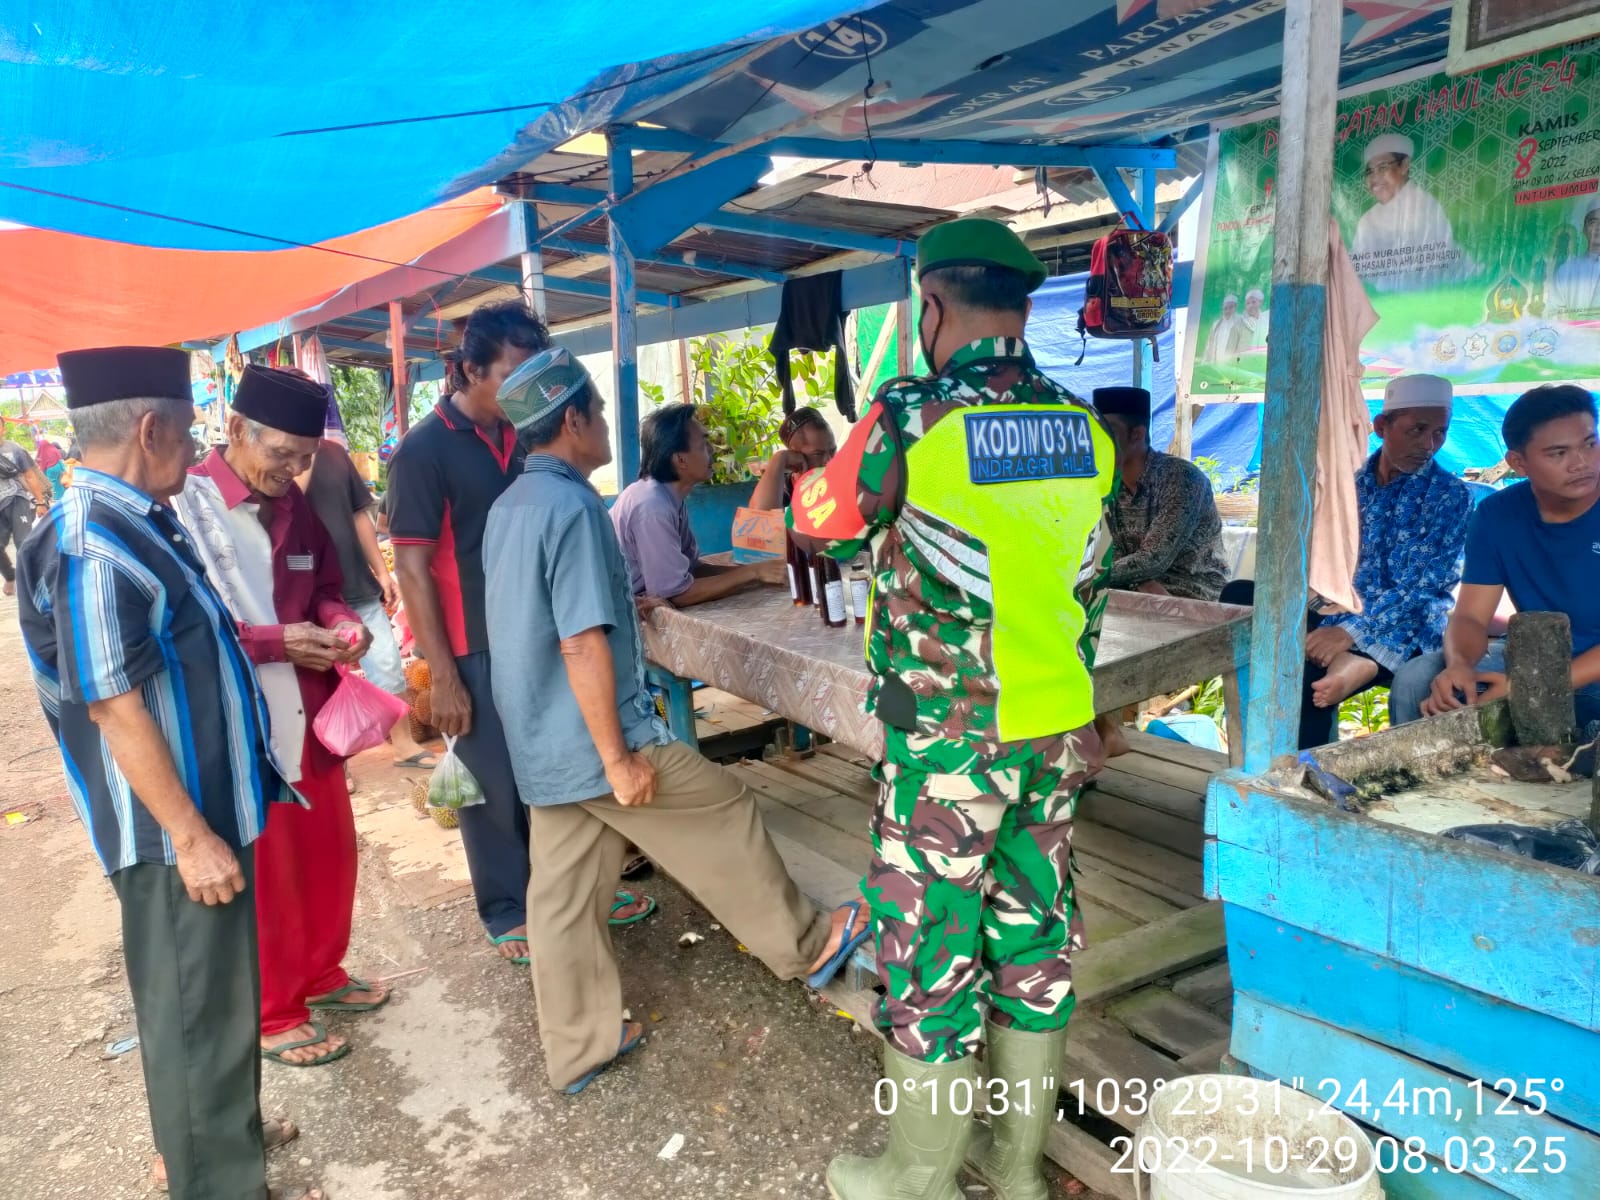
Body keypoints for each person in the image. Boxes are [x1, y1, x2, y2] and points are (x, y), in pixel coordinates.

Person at [789, 217, 1114, 1200]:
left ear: (930, 305)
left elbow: (826, 521)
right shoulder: (1082, 424)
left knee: (931, 942)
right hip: (1054, 733)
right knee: (1031, 939)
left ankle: (915, 1175)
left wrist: (802, 479)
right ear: (1021, 306)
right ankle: (1015, 1173)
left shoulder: (911, 416)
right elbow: (1085, 586)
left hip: (949, 748)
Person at [484, 347, 869, 1094]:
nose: (604, 428)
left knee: (560, 899)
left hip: (537, 737)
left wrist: (620, 615)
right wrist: (620, 757)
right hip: (596, 739)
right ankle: (806, 942)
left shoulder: (511, 508)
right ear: (572, 420)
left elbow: (536, 618)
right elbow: (577, 640)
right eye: (597, 413)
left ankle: (579, 1048)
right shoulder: (572, 508)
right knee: (723, 808)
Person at [19, 346, 323, 1200]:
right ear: (149, 429)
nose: (197, 451)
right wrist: (191, 836)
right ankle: (218, 1180)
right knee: (198, 1010)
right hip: (170, 829)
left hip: (204, 809)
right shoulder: (91, 541)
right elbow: (112, 704)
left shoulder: (139, 516)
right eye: (189, 433)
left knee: (212, 1000)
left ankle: (221, 1136)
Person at [388, 299, 652, 965]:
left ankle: (577, 888)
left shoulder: (528, 435)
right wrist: (442, 671)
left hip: (541, 630)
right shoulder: (424, 450)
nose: (527, 380)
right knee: (493, 782)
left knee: (569, 758)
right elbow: (413, 568)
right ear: (470, 369)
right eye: (513, 368)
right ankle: (509, 907)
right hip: (470, 642)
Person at [173, 364, 391, 1067]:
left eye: (305, 458)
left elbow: (325, 585)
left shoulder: (295, 506)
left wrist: (338, 624)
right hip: (243, 726)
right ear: (236, 429)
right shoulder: (187, 508)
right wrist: (276, 641)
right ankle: (274, 1010)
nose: (292, 471)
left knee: (330, 853)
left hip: (312, 711)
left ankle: (322, 974)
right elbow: (184, 631)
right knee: (272, 872)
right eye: (281, 455)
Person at [1221, 374, 1469, 747]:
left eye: (1439, 432)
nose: (1428, 445)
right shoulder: (1349, 482)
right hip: (1337, 606)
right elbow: (1319, 555)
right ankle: (1256, 746)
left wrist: (1351, 632)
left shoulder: (1450, 495)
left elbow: (1422, 590)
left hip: (1406, 623)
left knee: (1305, 676)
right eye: (1417, 429)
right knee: (1240, 595)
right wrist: (1318, 604)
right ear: (1382, 426)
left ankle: (1307, 773)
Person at [1391, 384, 1600, 730]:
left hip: (1586, 674)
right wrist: (1460, 665)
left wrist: (1528, 688)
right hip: (1535, 657)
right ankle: (1432, 784)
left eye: (1590, 444)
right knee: (1419, 678)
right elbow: (1471, 617)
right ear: (1518, 462)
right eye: (1558, 453)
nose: (1581, 463)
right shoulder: (1497, 515)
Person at [297, 431, 433, 768]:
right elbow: (290, 501)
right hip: (307, 588)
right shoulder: (285, 460)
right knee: (322, 676)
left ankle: (403, 743)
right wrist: (304, 458)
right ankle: (336, 761)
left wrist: (382, 573)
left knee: (386, 662)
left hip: (355, 581)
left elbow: (360, 516)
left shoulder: (337, 455)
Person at [610, 402, 787, 604]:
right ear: (680, 460)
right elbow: (674, 593)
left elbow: (693, 570)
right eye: (704, 444)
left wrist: (756, 573)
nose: (712, 450)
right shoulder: (651, 506)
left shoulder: (669, 496)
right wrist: (753, 573)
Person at [1097, 386, 1228, 601]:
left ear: (1137, 434)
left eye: (1109, 430)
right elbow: (1113, 554)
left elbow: (1154, 560)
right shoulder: (1109, 486)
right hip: (1136, 590)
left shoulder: (1181, 479)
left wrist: (1086, 577)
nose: (1099, 440)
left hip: (1195, 595)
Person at [1350, 133, 1460, 292]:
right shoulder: (1367, 220)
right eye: (1369, 172)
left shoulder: (1426, 207)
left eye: (1382, 168)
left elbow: (1435, 270)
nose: (1375, 178)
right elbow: (1357, 271)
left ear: (1404, 165)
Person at [747, 405, 837, 511]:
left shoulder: (845, 474)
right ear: (795, 454)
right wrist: (780, 458)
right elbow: (760, 521)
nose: (829, 460)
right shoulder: (787, 488)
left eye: (833, 451)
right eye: (817, 454)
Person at [0, 432, 52, 596]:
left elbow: (30, 475)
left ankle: (35, 583)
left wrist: (40, 501)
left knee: (23, 542)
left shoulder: (15, 450)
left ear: (3, 429)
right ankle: (10, 576)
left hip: (18, 499)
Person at [1548, 198, 1600, 319]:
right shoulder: (1566, 270)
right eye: (1593, 222)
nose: (1598, 228)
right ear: (1584, 229)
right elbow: (1555, 313)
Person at [1204, 294, 1241, 363]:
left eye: (1230, 308)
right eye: (1225, 308)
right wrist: (1205, 362)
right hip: (1216, 363)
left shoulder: (1241, 322)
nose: (1227, 311)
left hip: (1233, 364)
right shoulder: (1216, 324)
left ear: (1236, 307)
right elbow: (1209, 346)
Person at [1233, 288, 1268, 353]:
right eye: (1248, 303)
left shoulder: (1266, 321)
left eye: (1253, 302)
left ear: (1260, 302)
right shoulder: (1238, 324)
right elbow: (1229, 351)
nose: (1250, 306)